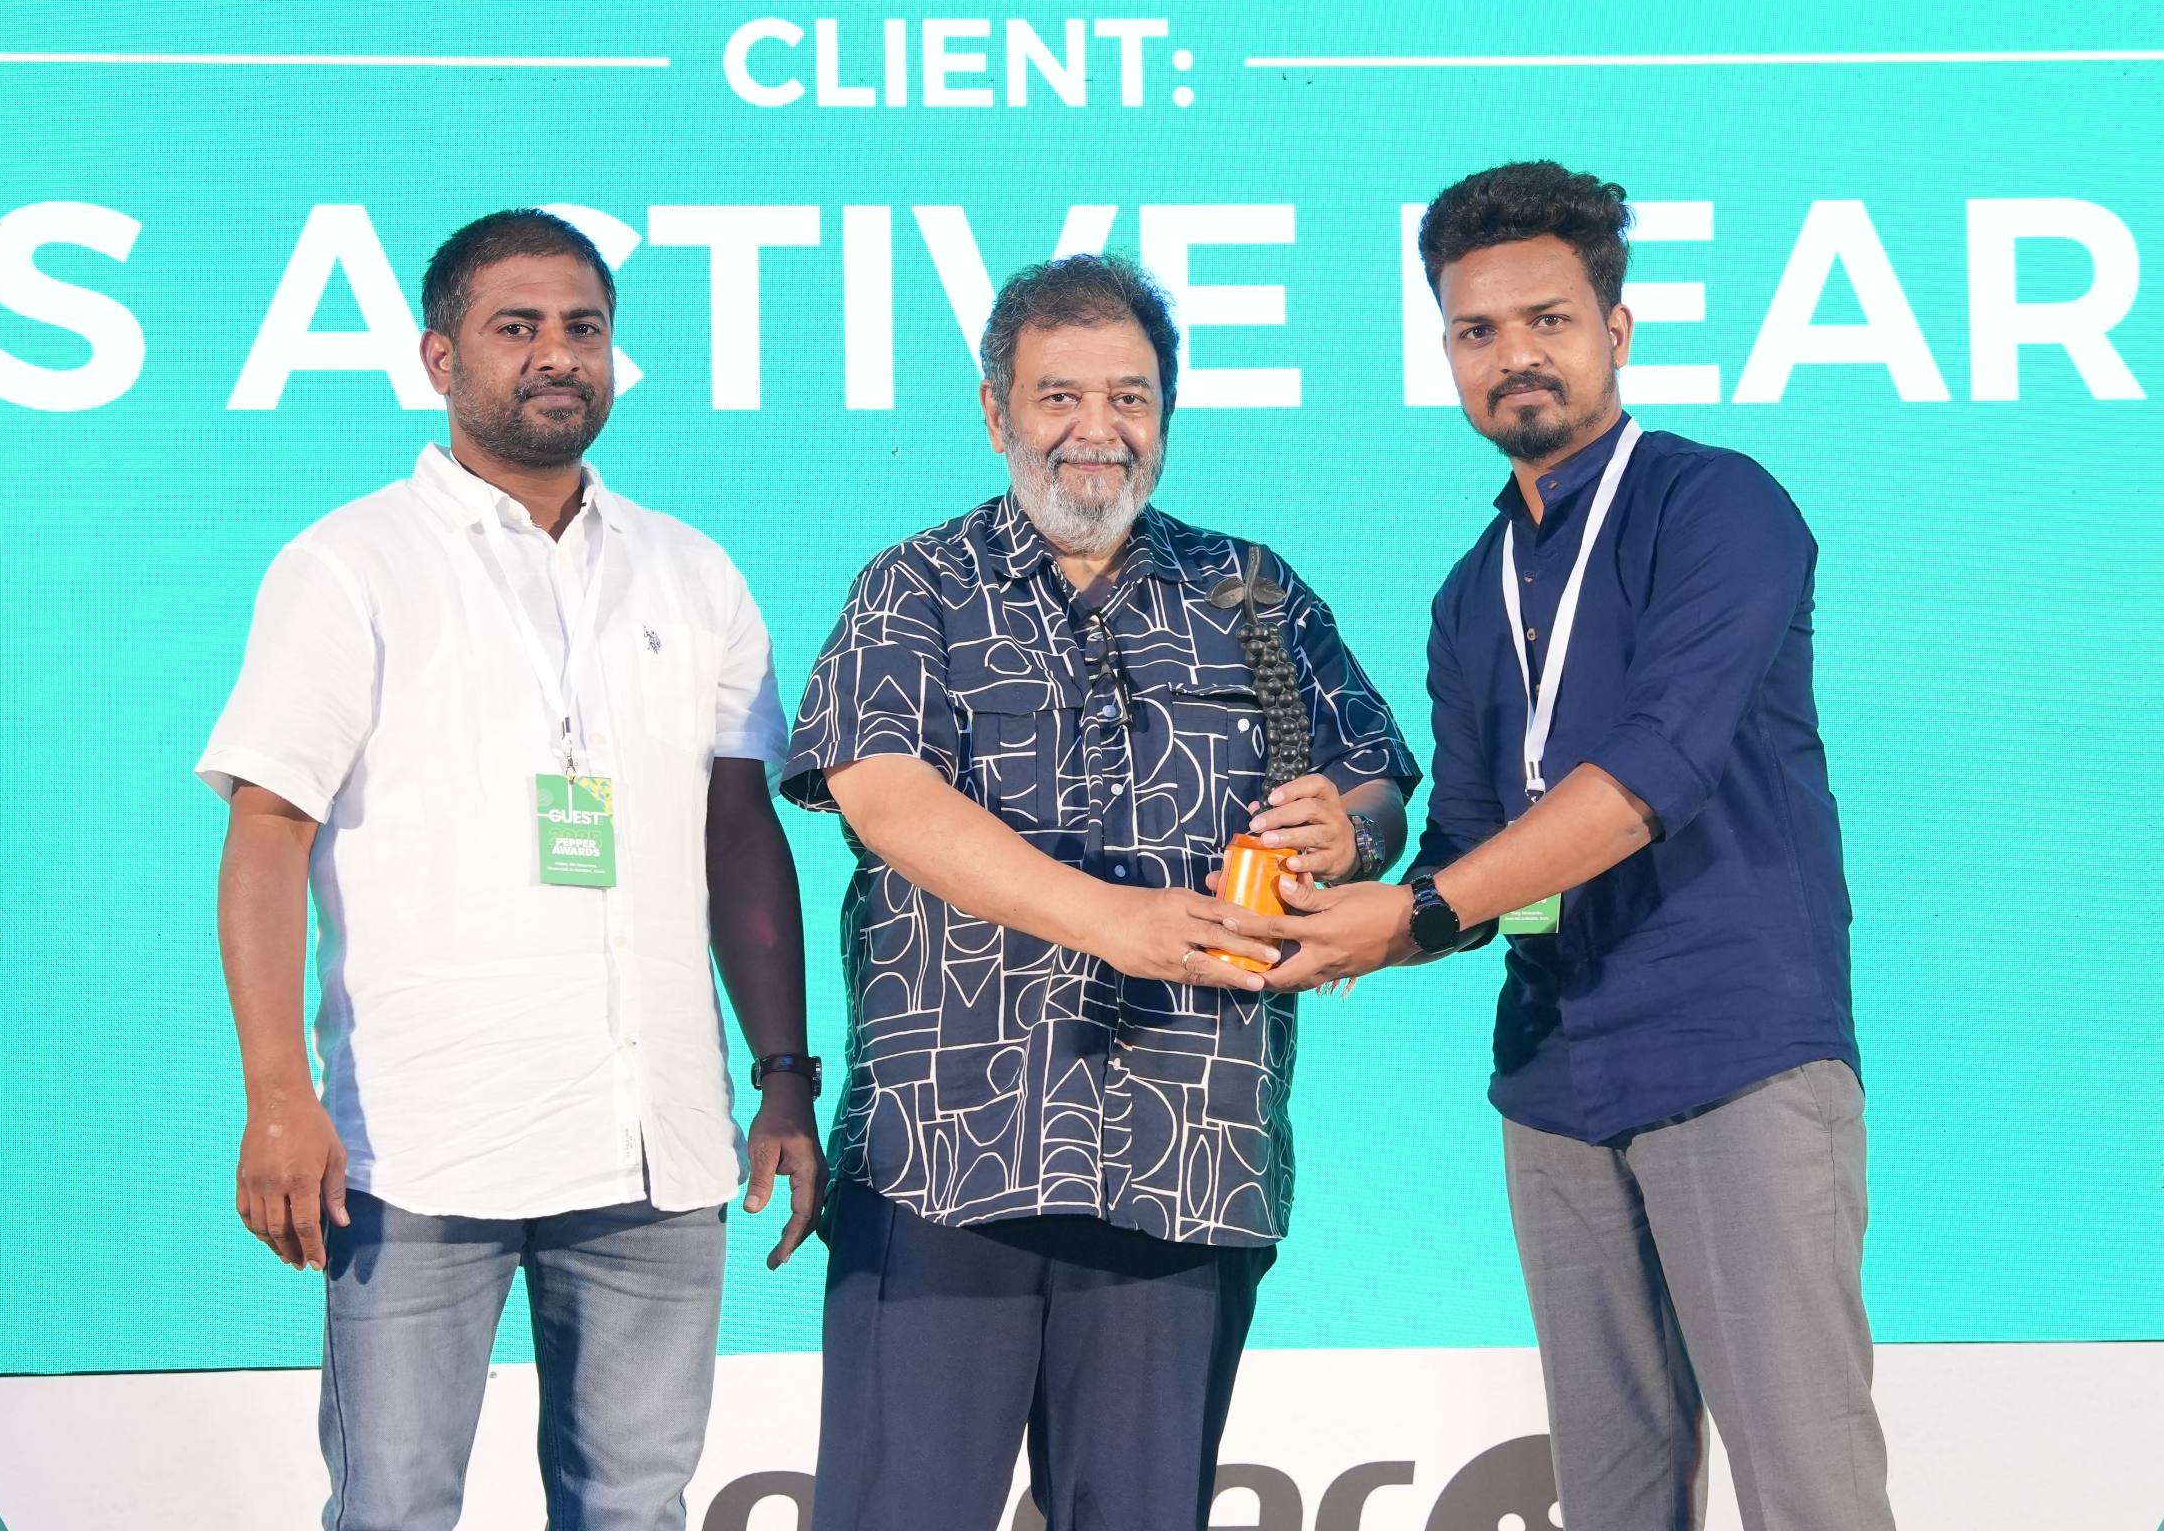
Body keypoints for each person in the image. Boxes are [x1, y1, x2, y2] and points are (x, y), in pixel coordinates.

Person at [1223, 162, 1893, 1530]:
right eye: (1477, 331)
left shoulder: (1720, 508)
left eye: (1548, 320)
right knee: (1612, 1499)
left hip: (1735, 1051)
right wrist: (1344, 895)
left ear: (1616, 330)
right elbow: (1472, 855)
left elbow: (1653, 777)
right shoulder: (1470, 594)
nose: (1514, 355)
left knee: (1807, 1488)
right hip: (1555, 1080)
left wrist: (1414, 915)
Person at [198, 208, 826, 1531]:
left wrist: (784, 1076)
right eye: (517, 327)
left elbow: (741, 837)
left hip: (656, 1149)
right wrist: (277, 1097)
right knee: (393, 1511)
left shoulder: (692, 570)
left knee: (636, 1512)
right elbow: (266, 830)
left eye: (584, 328)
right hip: (424, 1151)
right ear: (440, 357)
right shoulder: (349, 565)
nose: (558, 354)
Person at [782, 252, 1418, 1530]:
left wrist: (1349, 835)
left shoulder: (1252, 590)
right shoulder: (917, 584)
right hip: (948, 1152)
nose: (1097, 429)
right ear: (996, 413)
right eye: (1060, 395)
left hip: (1191, 1150)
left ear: (1165, 416)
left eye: (1130, 398)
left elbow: (1377, 782)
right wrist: (1115, 923)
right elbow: (884, 795)